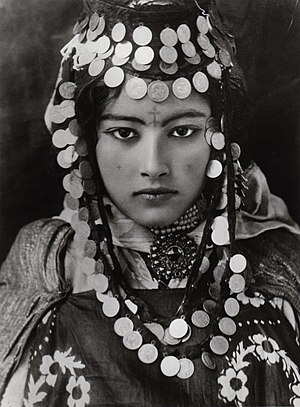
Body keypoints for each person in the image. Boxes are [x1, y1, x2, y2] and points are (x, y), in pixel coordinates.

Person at [1, 0, 300, 405]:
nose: (154, 166)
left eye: (182, 132)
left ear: (220, 137)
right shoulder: (48, 268)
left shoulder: (280, 268)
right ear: (87, 142)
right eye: (125, 133)